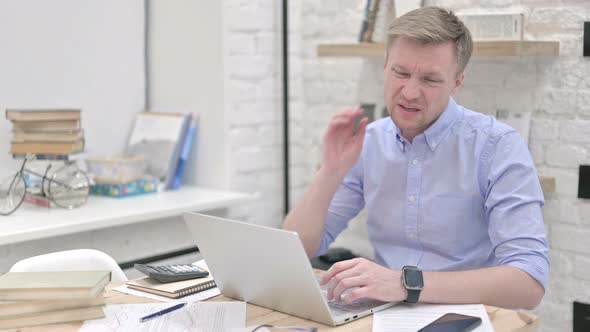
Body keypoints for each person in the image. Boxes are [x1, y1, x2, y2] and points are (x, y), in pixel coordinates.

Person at [284, 6, 548, 310]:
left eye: (430, 80)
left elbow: (528, 283)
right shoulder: (369, 142)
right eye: (401, 73)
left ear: (457, 81)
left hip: (463, 316)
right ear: (385, 66)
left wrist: (404, 283)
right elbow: (297, 248)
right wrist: (330, 171)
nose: (409, 92)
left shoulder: (497, 146)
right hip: (383, 313)